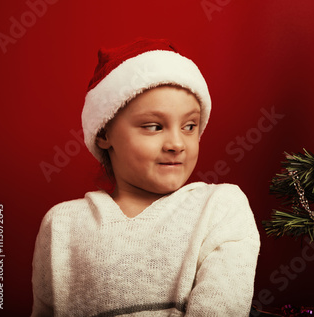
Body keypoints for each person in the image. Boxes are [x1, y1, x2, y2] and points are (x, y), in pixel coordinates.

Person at [31, 38, 261, 317]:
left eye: (190, 126)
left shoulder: (220, 207)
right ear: (104, 133)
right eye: (154, 126)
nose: (177, 143)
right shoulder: (61, 225)